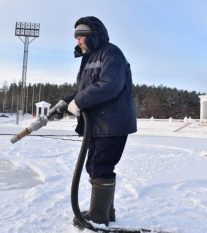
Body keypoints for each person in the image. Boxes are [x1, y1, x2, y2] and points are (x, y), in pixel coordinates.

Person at [48, 16, 137, 227]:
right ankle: (105, 212)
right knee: (95, 167)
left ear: (92, 36)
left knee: (100, 166)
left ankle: (99, 217)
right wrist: (66, 101)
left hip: (112, 124)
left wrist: (79, 101)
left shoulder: (111, 53)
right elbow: (85, 89)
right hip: (98, 125)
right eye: (77, 38)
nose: (78, 42)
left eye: (81, 38)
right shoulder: (89, 58)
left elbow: (110, 85)